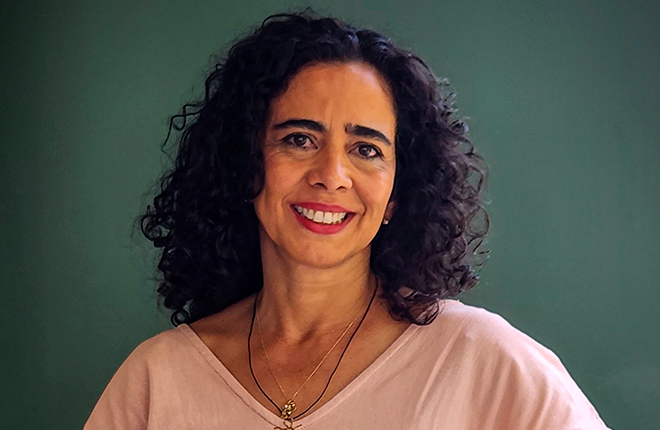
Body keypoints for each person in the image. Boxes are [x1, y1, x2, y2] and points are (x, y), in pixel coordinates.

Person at [84, 8, 610, 430]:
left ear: (397, 194)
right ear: (244, 163)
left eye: (366, 149)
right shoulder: (157, 379)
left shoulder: (483, 361)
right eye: (299, 139)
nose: (332, 175)